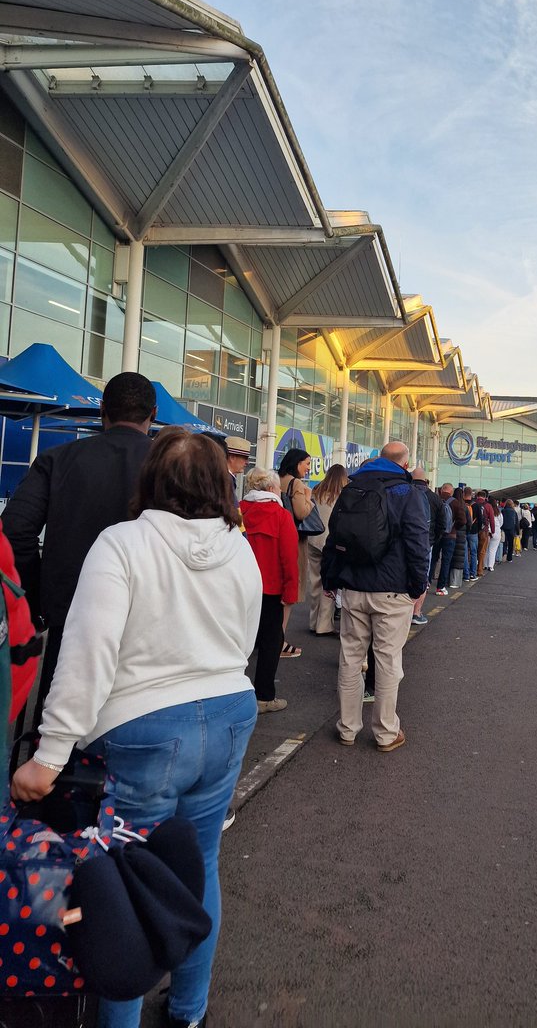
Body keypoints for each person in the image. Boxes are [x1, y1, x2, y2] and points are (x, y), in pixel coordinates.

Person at [10, 427, 262, 1028]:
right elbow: (244, 638)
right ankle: (188, 1010)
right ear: (220, 485)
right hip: (230, 713)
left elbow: (87, 652)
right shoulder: (239, 546)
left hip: (145, 731)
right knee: (198, 865)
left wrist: (49, 754)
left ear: (151, 479)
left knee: (123, 882)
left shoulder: (123, 544)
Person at [2, 371, 157, 718]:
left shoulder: (57, 460)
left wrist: (37, 594)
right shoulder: (170, 466)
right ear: (154, 413)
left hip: (69, 614)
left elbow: (13, 530)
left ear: (102, 409)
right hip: (147, 620)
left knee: (57, 724)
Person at [322, 441, 428, 752]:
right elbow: (417, 542)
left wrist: (330, 578)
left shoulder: (352, 488)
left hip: (353, 587)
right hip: (392, 591)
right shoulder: (407, 493)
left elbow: (335, 536)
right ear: (404, 464)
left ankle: (347, 727)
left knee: (351, 658)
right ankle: (385, 731)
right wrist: (418, 585)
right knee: (387, 660)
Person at [240, 467, 300, 711]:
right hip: (271, 589)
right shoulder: (281, 515)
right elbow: (289, 558)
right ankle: (264, 696)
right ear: (272, 488)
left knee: (239, 641)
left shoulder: (240, 510)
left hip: (241, 587)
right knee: (270, 643)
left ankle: (232, 692)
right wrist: (291, 593)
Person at [306, 463, 349, 636]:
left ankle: (313, 621)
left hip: (312, 540)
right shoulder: (342, 496)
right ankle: (324, 625)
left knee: (315, 582)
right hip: (331, 544)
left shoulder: (316, 492)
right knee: (329, 585)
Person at [278, 447, 314, 605]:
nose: (308, 468)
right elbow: (301, 512)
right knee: (292, 586)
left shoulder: (277, 479)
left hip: (277, 533)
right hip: (294, 537)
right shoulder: (296, 483)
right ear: (297, 463)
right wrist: (309, 499)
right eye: (307, 463)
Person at [411, 467, 441, 625]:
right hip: (426, 543)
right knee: (421, 575)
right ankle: (416, 612)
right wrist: (434, 538)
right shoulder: (434, 498)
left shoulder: (404, 491)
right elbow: (443, 523)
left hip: (405, 541)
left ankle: (405, 612)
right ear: (426, 480)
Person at [432, 483, 456, 595]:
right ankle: (440, 587)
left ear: (441, 490)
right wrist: (453, 528)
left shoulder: (434, 499)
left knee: (433, 558)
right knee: (446, 561)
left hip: (436, 534)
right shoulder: (455, 502)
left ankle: (427, 582)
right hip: (449, 535)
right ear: (451, 492)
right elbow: (463, 520)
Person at [224, 435, 252, 505]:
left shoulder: (225, 478)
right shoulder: (225, 480)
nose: (247, 462)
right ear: (232, 457)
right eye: (245, 458)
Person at [485, 496, 503, 570]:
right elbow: (501, 522)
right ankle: (491, 566)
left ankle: (484, 564)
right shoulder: (498, 512)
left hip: (487, 531)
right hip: (496, 531)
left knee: (486, 549)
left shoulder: (486, 510)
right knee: (493, 549)